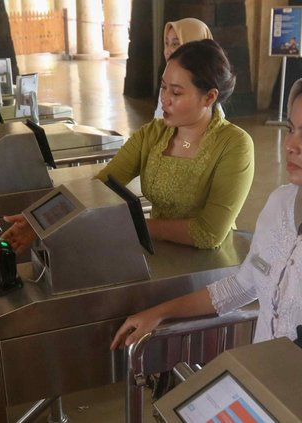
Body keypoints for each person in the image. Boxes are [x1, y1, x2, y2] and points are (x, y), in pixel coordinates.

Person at [3, 40, 254, 252]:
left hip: (212, 265)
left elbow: (208, 233)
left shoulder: (234, 146)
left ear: (209, 97)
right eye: (163, 87)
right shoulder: (153, 135)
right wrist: (40, 220)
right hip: (159, 249)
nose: (164, 99)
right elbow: (100, 186)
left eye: (176, 93)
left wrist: (130, 225)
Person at [111, 77, 302, 350]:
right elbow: (242, 285)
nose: (290, 145)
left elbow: (208, 230)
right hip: (260, 381)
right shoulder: (279, 204)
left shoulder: (232, 143)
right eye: (291, 129)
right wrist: (160, 312)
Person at [154, 18, 213, 119]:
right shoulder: (167, 79)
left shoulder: (205, 87)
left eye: (175, 44)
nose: (167, 51)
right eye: (166, 43)